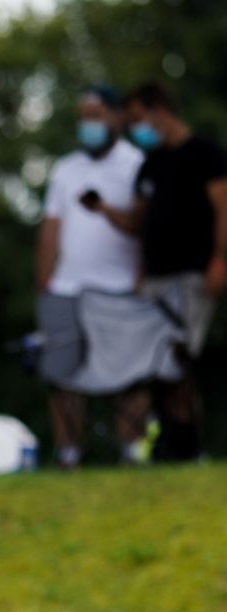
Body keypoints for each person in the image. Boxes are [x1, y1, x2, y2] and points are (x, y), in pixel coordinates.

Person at [35, 87, 151, 467]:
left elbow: (144, 225)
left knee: (128, 375)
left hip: (121, 290)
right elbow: (51, 226)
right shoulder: (66, 169)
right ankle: (68, 453)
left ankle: (132, 450)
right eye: (83, 115)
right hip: (68, 288)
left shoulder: (137, 164)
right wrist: (45, 281)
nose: (89, 123)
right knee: (63, 376)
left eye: (96, 114)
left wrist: (141, 279)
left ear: (117, 116)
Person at [113, 82, 227, 460]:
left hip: (192, 275)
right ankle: (151, 446)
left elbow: (224, 210)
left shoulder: (204, 154)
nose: (135, 128)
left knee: (179, 360)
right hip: (154, 280)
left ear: (160, 110)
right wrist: (102, 211)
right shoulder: (151, 163)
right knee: (148, 364)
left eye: (137, 119)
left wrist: (220, 261)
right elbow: (139, 223)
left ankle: (188, 446)